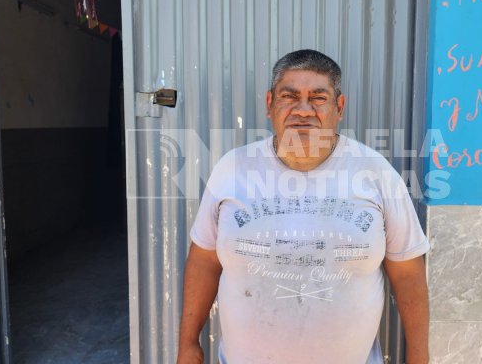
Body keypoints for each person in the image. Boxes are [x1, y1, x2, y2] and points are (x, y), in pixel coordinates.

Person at [177, 49, 430, 364]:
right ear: (270, 104)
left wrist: (419, 358)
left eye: (319, 98)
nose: (303, 110)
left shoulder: (375, 172)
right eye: (289, 96)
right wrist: (188, 343)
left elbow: (407, 273)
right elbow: (204, 260)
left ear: (339, 107)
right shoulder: (233, 168)